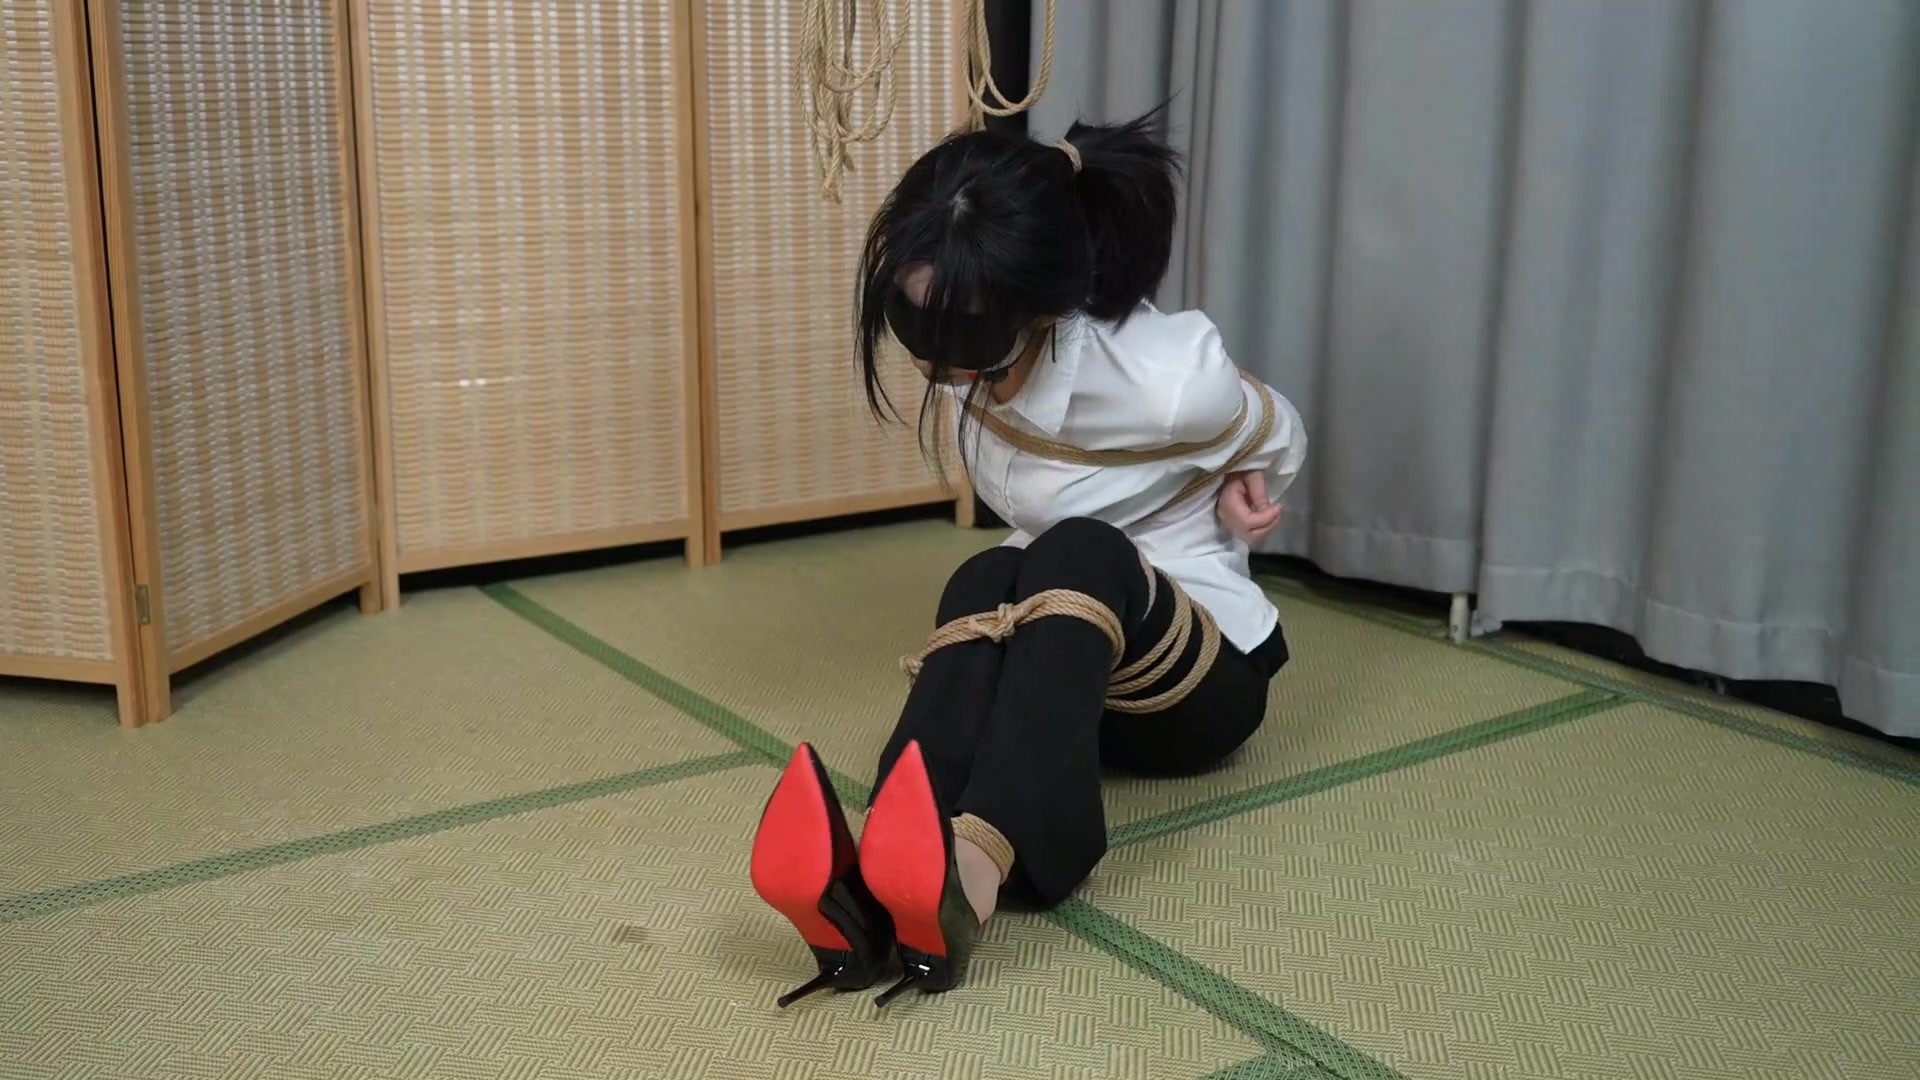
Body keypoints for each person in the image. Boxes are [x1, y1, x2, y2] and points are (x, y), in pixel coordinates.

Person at [748, 109, 1307, 1009]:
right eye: (914, 323)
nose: (940, 366)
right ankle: (890, 860)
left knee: (1079, 548)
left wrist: (1253, 475)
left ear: (1044, 310)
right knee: (984, 572)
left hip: (1196, 680)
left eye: (964, 340)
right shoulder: (971, 342)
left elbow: (1277, 423)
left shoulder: (1167, 381)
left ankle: (971, 876)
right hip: (1062, 676)